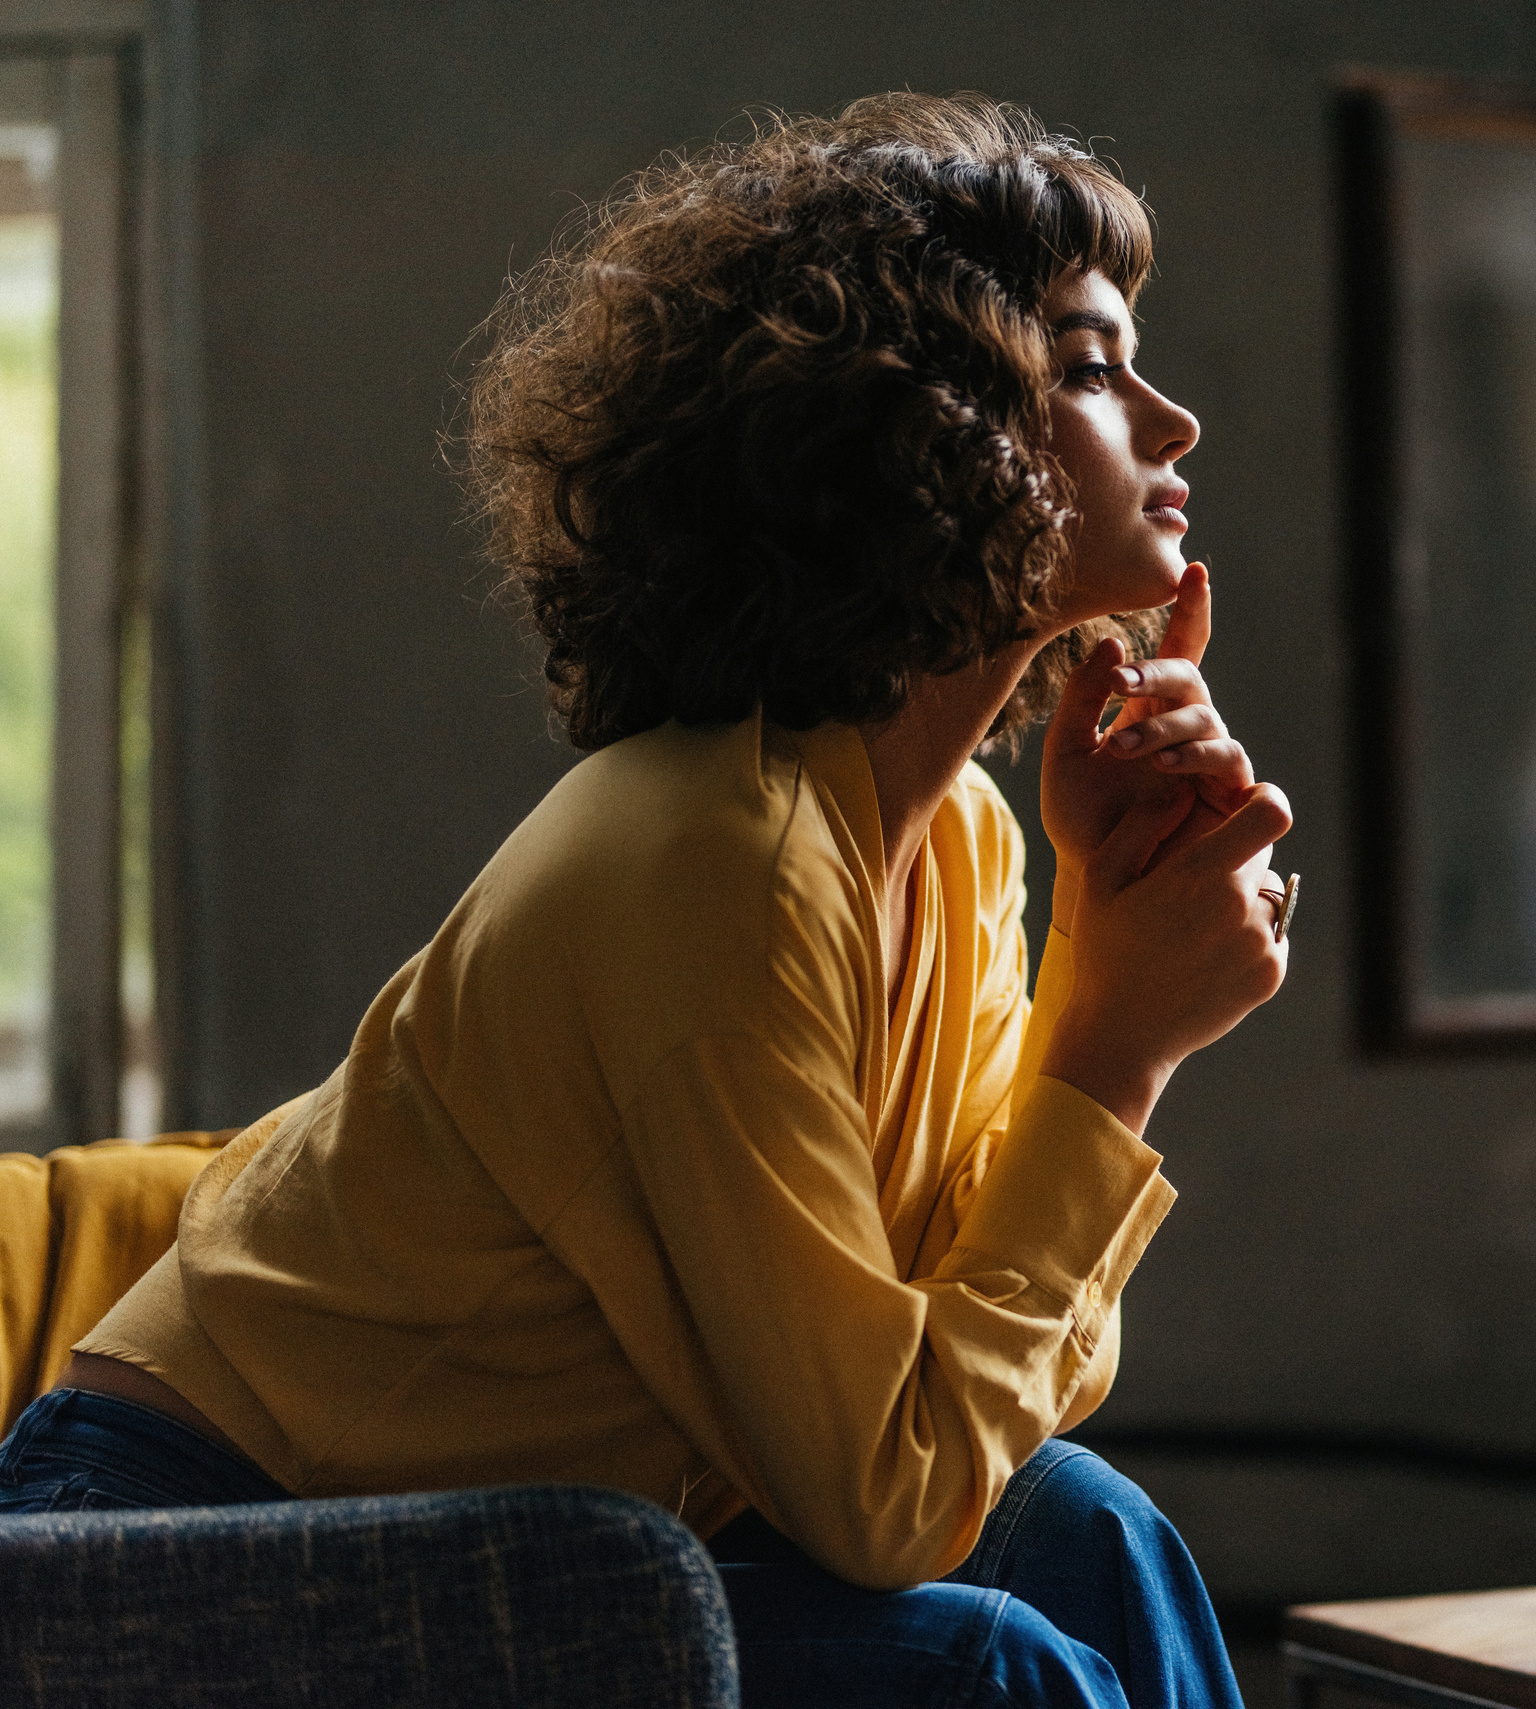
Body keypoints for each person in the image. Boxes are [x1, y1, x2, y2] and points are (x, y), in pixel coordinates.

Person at [0, 93, 1290, 1709]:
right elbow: (892, 1494)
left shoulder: (956, 841)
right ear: (930, 431)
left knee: (1082, 1527)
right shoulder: (714, 861)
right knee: (982, 1668)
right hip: (174, 1554)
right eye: (1093, 370)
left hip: (516, 1534)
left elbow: (991, 1389)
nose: (1175, 423)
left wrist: (1105, 921)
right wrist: (1116, 1044)